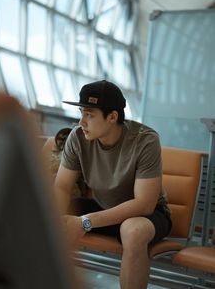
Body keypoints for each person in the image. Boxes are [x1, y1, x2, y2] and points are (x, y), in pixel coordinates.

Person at [54, 80, 172, 289]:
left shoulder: (145, 140)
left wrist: (84, 222)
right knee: (44, 217)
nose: (81, 122)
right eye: (81, 113)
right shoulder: (77, 137)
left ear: (112, 117)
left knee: (133, 231)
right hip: (103, 208)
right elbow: (62, 187)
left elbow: (144, 203)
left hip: (147, 214)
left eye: (89, 114)